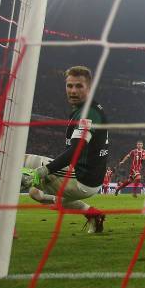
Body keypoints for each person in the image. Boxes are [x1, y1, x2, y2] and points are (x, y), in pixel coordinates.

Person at [21, 66, 107, 233]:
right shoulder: (85, 109)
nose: (73, 91)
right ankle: (94, 215)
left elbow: (75, 152)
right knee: (35, 193)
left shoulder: (88, 113)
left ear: (89, 88)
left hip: (83, 177)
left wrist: (42, 171)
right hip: (89, 178)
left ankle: (3, 229)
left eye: (79, 86)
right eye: (69, 86)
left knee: (17, 159)